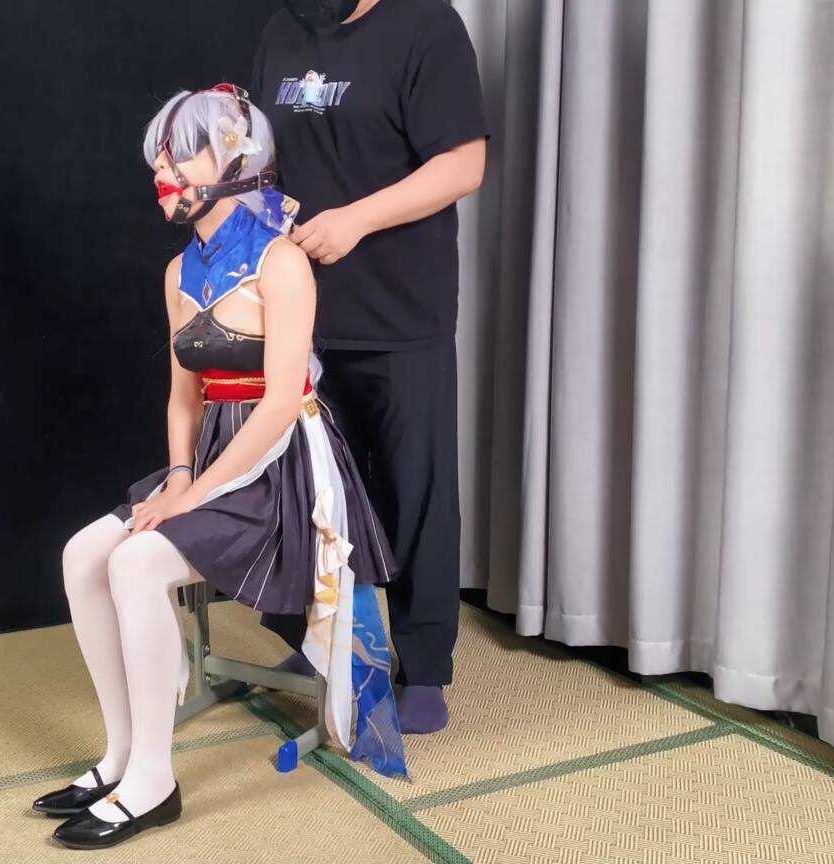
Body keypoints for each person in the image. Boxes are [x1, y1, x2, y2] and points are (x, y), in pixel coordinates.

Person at [34, 85, 407, 852]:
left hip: (281, 475)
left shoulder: (282, 262)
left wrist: (196, 493)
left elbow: (279, 404)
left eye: (180, 155)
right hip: (206, 463)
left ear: (235, 159)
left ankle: (152, 783)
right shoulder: (179, 271)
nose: (162, 172)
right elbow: (184, 398)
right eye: (159, 158)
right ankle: (118, 757)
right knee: (82, 554)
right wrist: (178, 478)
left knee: (136, 564)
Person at [252, 0, 488, 735]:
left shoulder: (426, 26)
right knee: (313, 490)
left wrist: (355, 219)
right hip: (302, 306)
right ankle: (326, 643)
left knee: (415, 491)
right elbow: (264, 155)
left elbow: (463, 164)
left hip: (400, 307)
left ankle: (424, 666)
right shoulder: (284, 27)